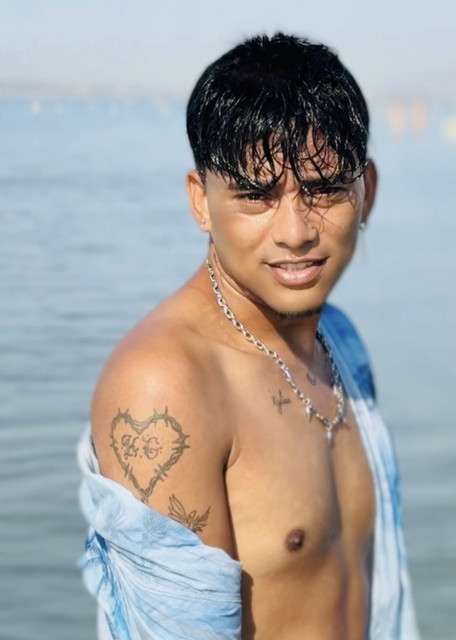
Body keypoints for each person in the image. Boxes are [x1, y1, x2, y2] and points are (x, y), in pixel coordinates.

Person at [78, 33, 421, 640]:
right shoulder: (167, 384)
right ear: (201, 202)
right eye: (256, 197)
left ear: (366, 190)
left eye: (323, 189)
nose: (295, 231)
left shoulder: (339, 342)